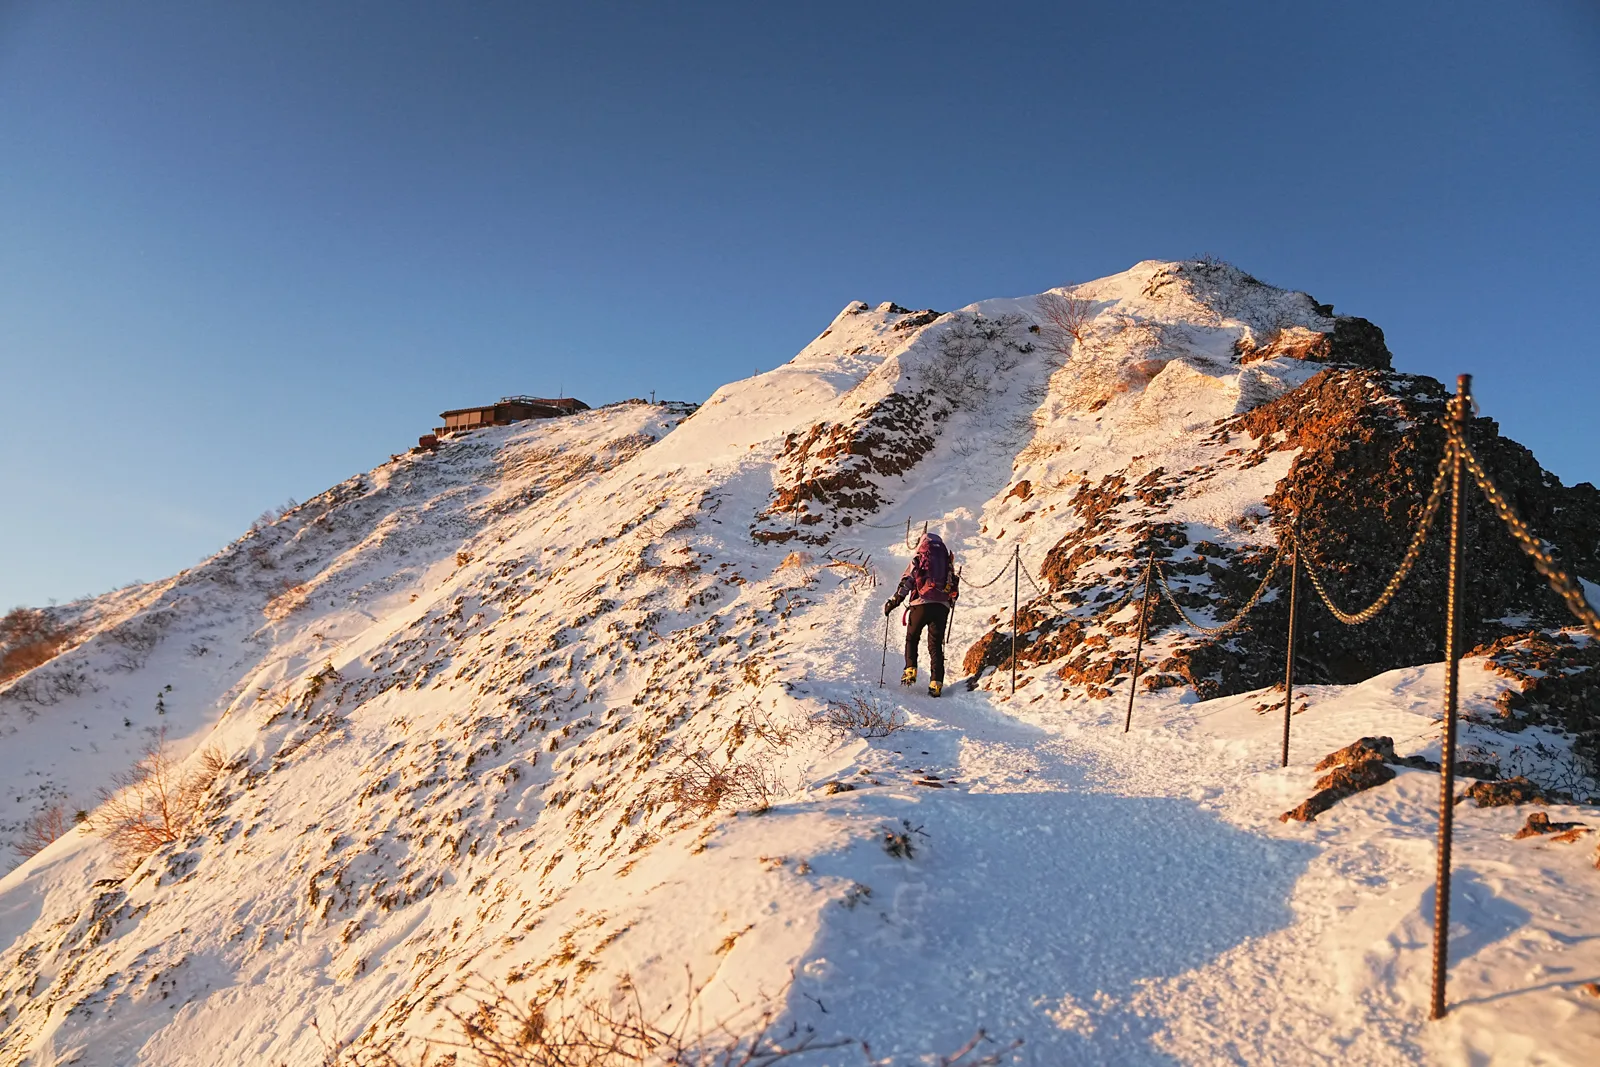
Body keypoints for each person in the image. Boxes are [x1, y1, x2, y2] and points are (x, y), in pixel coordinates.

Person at [884, 532, 960, 697]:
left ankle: (910, 671)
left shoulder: (919, 558)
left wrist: (894, 602)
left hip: (920, 605)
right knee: (935, 644)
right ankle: (936, 683)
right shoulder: (947, 561)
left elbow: (907, 581)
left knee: (912, 638)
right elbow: (953, 586)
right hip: (942, 607)